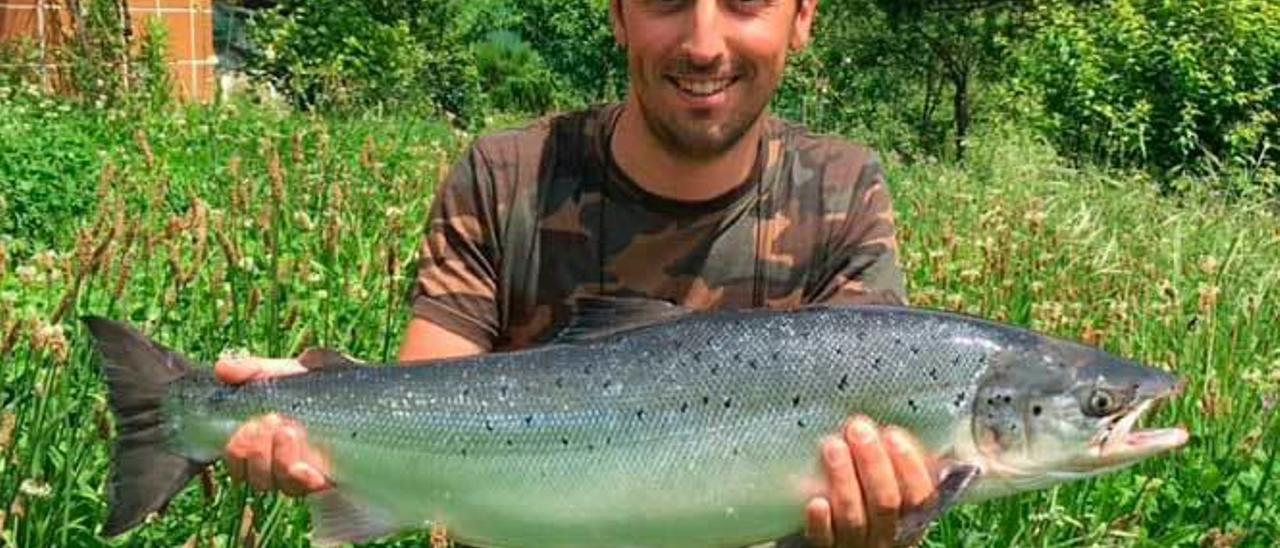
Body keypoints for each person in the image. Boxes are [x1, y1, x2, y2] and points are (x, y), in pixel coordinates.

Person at [215, 1, 940, 546]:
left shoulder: (842, 189)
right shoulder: (507, 177)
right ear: (618, 14)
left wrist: (882, 521)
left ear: (803, 17)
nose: (703, 42)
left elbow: (875, 483)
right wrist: (307, 410)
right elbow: (426, 407)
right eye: (666, 0)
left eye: (745, 1)